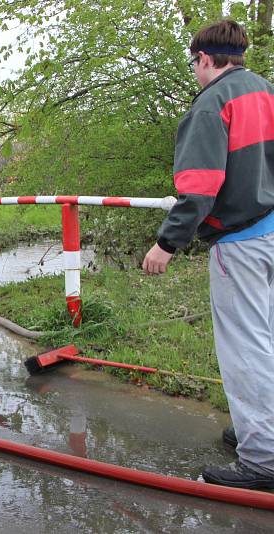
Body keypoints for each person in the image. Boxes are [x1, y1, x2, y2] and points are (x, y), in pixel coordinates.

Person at [142, 19, 274, 489]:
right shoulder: (267, 91)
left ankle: (262, 462)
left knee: (246, 349)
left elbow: (198, 188)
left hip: (240, 240)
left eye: (193, 62)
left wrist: (166, 244)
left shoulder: (212, 104)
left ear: (202, 59)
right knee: (268, 337)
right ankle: (260, 430)